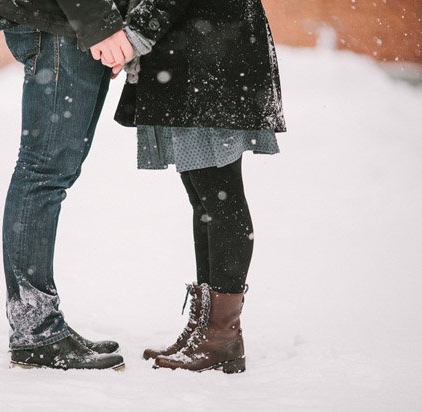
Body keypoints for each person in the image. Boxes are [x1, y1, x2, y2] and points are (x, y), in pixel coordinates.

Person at [112, 0, 286, 373]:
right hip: (194, 54)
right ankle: (207, 328)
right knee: (204, 198)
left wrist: (134, 32)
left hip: (210, 58)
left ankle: (221, 336)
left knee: (219, 196)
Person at [0, 1, 136, 370]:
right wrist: (99, 23)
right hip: (62, 25)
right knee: (43, 172)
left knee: (52, 172)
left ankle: (41, 323)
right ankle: (36, 332)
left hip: (70, 25)